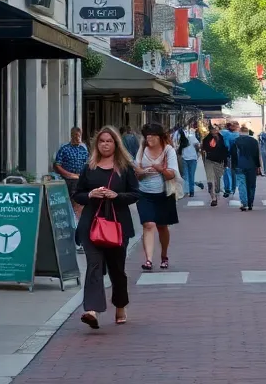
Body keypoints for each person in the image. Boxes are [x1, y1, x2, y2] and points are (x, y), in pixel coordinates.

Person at [73, 127, 139, 329]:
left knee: (116, 269)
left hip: (117, 224)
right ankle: (92, 310)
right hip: (91, 223)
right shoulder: (89, 167)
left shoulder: (125, 167)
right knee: (94, 265)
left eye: (109, 141)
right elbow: (78, 194)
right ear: (96, 144)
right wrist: (91, 194)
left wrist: (116, 196)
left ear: (116, 144)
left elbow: (136, 194)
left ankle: (120, 304)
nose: (105, 144)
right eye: (101, 141)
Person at [134, 123, 180, 270]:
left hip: (164, 193)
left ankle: (164, 255)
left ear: (160, 137)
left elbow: (172, 173)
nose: (149, 139)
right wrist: (141, 172)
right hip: (144, 193)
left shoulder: (168, 150)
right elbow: (137, 171)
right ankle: (148, 260)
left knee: (162, 226)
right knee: (148, 224)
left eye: (152, 136)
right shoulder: (142, 149)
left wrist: (160, 168)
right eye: (147, 136)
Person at [53, 127, 89, 218]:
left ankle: (76, 219)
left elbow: (88, 164)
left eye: (79, 136)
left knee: (78, 202)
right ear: (71, 136)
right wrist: (68, 174)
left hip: (80, 178)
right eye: (76, 136)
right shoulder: (64, 149)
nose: (78, 138)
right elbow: (57, 165)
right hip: (67, 179)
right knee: (67, 201)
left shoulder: (83, 149)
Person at [232, 125, 263, 210]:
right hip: (252, 166)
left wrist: (233, 166)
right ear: (248, 132)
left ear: (240, 132)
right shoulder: (254, 141)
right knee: (251, 185)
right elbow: (257, 155)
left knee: (241, 184)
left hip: (239, 165)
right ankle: (250, 203)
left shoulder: (235, 141)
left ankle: (244, 202)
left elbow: (233, 155)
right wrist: (258, 166)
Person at [200, 124, 229, 207]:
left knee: (217, 181)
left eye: (216, 129)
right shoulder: (206, 139)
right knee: (210, 180)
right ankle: (213, 198)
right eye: (213, 129)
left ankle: (216, 192)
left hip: (219, 162)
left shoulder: (223, 138)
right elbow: (204, 148)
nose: (214, 130)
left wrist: (225, 162)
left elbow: (225, 151)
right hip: (209, 161)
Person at [178, 119, 201, 197]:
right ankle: (191, 192)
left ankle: (186, 190)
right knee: (192, 175)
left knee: (186, 175)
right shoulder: (192, 135)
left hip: (184, 157)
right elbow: (197, 146)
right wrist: (198, 153)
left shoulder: (179, 136)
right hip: (192, 158)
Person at [220, 121, 240, 197]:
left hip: (227, 156)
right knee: (233, 172)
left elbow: (226, 145)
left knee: (227, 171)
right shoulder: (237, 135)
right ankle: (233, 188)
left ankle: (228, 188)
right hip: (235, 156)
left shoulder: (224, 133)